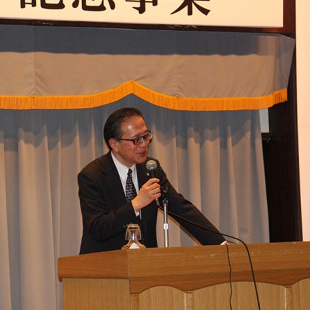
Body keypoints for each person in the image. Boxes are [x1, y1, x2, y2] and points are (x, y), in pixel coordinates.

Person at [77, 107, 225, 254]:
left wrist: (219, 243)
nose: (144, 144)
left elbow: (180, 208)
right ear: (114, 144)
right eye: (136, 139)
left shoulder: (150, 169)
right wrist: (135, 204)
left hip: (145, 262)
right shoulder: (92, 175)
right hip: (104, 263)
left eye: (146, 136)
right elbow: (97, 228)